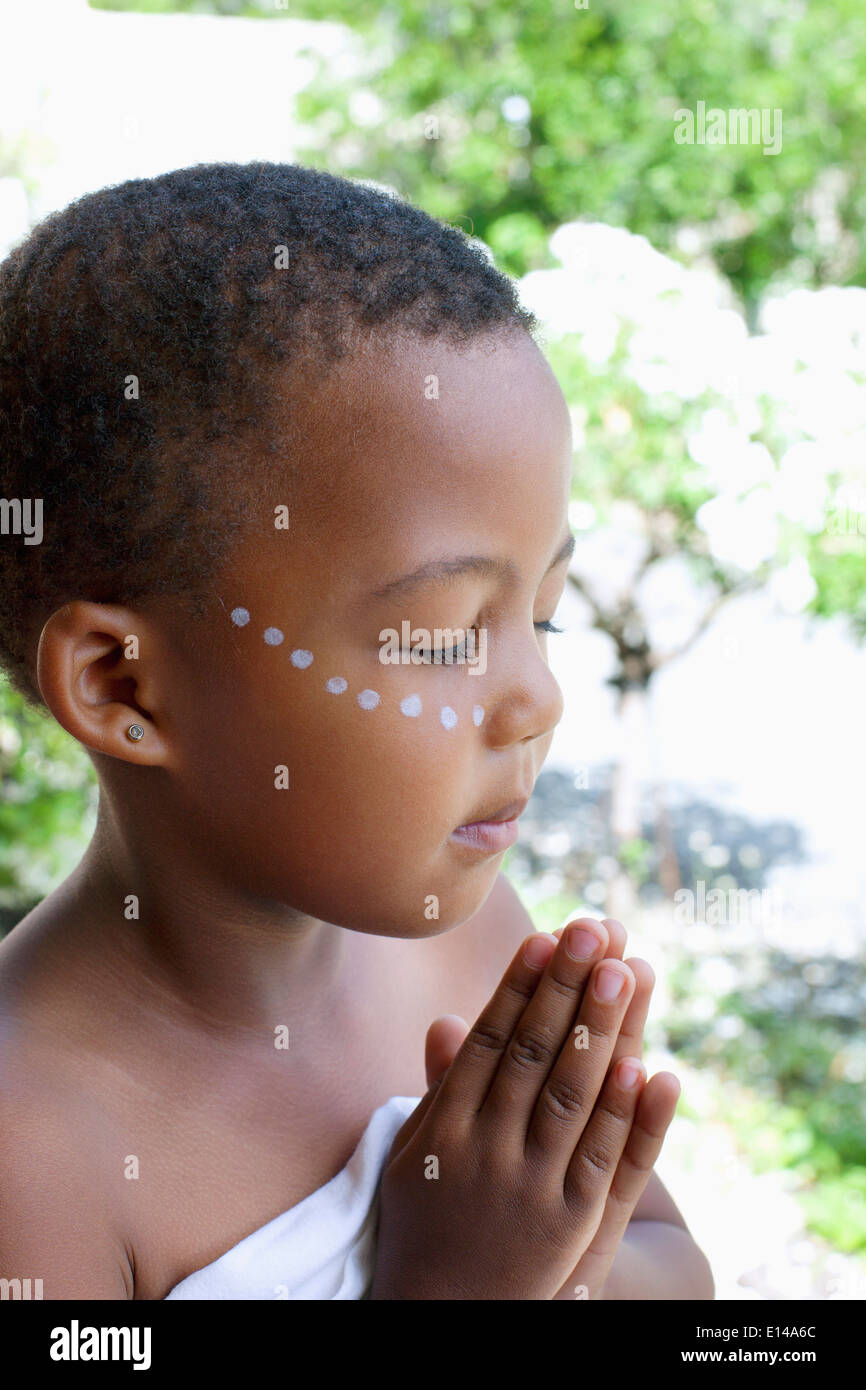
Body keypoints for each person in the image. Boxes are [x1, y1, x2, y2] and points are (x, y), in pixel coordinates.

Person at [0, 162, 712, 1299]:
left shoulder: (462, 949)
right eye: (440, 636)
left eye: (542, 616)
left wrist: (555, 1259)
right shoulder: (33, 1150)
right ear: (125, 686)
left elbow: (672, 1270)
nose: (536, 698)